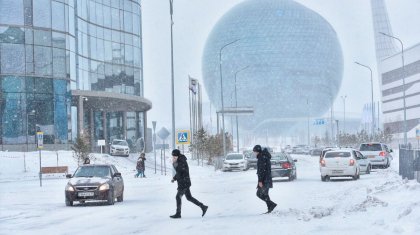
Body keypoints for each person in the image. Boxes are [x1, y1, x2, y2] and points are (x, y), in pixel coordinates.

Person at [170, 149, 208, 219]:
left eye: (174, 157)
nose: (173, 158)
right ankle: (203, 207)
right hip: (185, 182)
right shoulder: (180, 161)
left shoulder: (182, 162)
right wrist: (174, 178)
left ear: (177, 156)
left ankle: (178, 214)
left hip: (183, 183)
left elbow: (180, 171)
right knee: (189, 197)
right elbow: (179, 172)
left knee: (178, 197)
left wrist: (174, 164)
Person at [253, 145, 277, 213]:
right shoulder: (265, 157)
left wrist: (260, 181)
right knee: (265, 194)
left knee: (259, 194)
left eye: (254, 151)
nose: (254, 153)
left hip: (264, 180)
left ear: (257, 151)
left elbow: (261, 170)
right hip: (267, 178)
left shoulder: (261, 158)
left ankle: (271, 205)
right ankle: (270, 207)